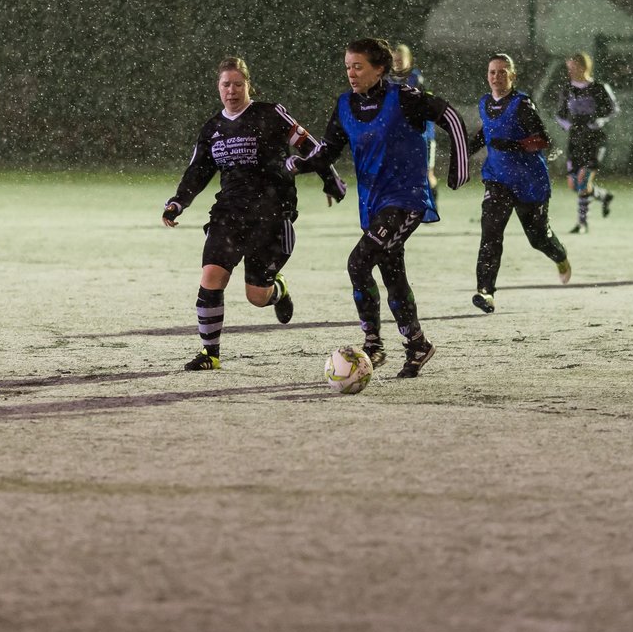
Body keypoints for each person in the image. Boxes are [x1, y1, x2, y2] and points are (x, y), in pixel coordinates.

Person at [290, 37, 469, 378]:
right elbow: (327, 152)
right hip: (372, 205)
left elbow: (449, 116)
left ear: (380, 69)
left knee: (358, 263)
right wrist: (295, 166)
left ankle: (373, 344)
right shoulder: (344, 105)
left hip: (406, 199)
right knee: (391, 270)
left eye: (358, 66)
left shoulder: (404, 98)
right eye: (347, 67)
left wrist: (458, 166)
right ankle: (417, 344)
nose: (351, 73)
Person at [162, 57, 345, 370]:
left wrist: (331, 180)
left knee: (257, 297)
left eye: (237, 84)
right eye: (225, 84)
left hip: (271, 213)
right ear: (218, 87)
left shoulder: (270, 113)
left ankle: (278, 289)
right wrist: (178, 201)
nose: (231, 91)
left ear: (248, 85)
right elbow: (198, 171)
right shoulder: (212, 128)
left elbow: (310, 145)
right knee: (211, 276)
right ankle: (210, 354)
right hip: (229, 212)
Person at [468, 53, 571, 313]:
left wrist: (514, 145)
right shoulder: (485, 102)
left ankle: (559, 255)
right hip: (497, 180)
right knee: (490, 234)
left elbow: (543, 140)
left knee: (538, 238)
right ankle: (485, 292)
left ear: (512, 76)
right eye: (492, 72)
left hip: (529, 182)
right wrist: (466, 149)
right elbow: (487, 131)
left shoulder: (522, 104)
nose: (496, 77)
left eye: (503, 72)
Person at [554, 51, 618, 234]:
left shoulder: (599, 87)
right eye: (569, 68)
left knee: (583, 179)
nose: (571, 71)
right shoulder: (567, 89)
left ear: (584, 67)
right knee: (574, 184)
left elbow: (613, 109)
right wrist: (566, 124)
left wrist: (600, 120)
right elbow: (559, 114)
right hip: (575, 139)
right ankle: (603, 196)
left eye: (574, 67)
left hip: (594, 139)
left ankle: (582, 223)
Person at [387, 42, 439, 202]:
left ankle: (432, 204)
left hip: (422, 135)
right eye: (395, 61)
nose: (397, 64)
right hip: (399, 136)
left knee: (426, 173)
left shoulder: (416, 78)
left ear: (409, 61)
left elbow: (429, 104)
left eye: (400, 61)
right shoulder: (388, 80)